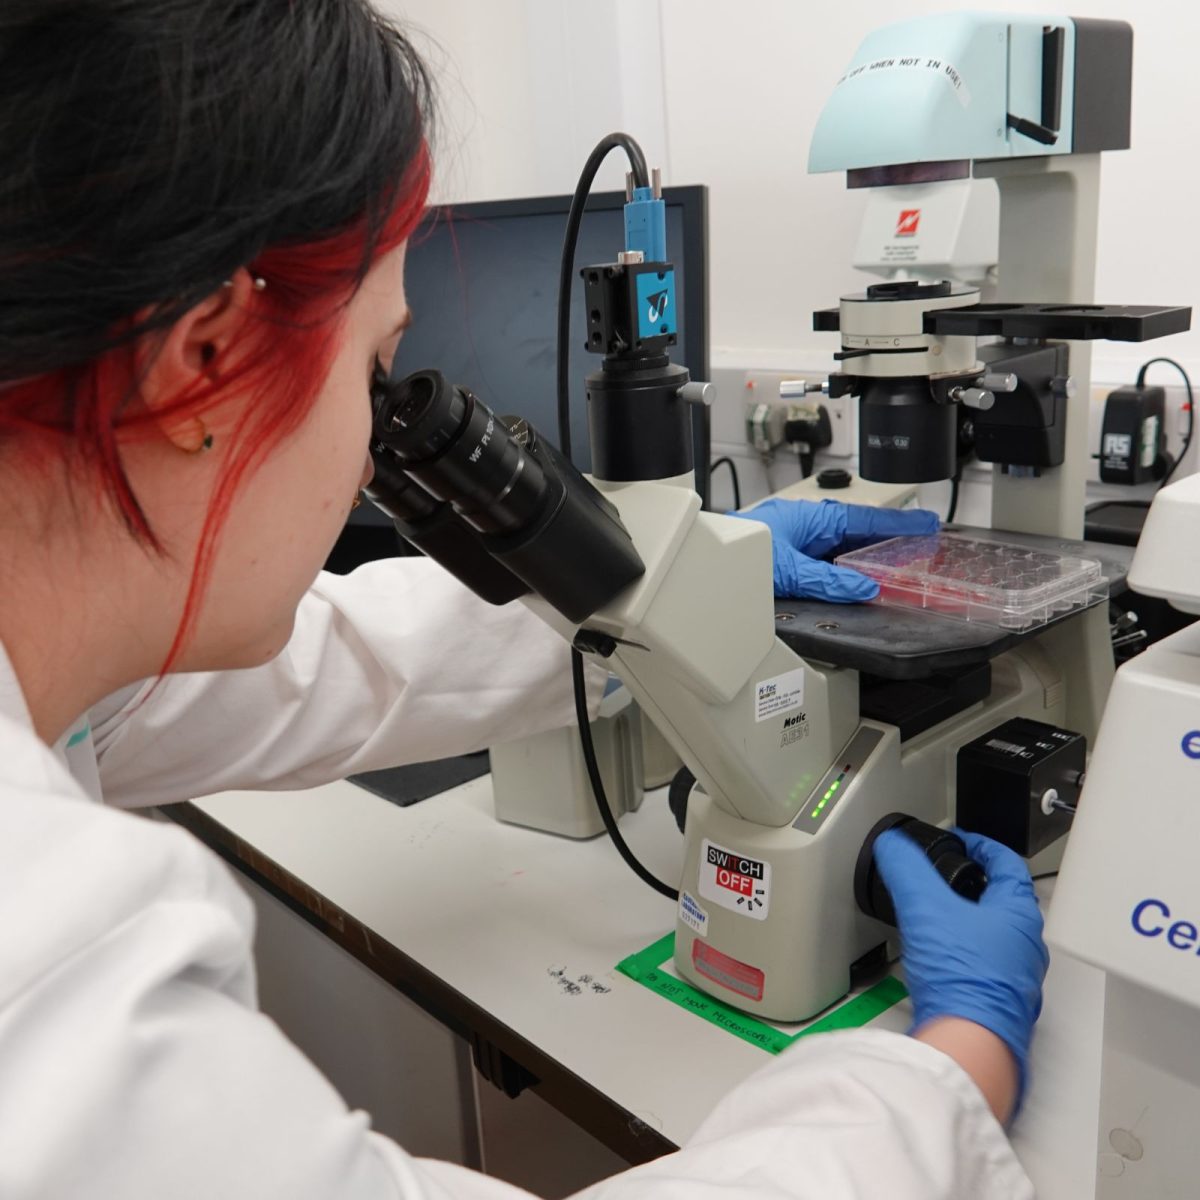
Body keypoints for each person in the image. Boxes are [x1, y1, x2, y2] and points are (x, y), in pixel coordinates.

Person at [0, 1, 1049, 1196]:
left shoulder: (58, 671)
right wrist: (952, 1074)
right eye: (374, 372)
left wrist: (675, 589)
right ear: (201, 368)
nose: (372, 442)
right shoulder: (50, 966)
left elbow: (325, 668)